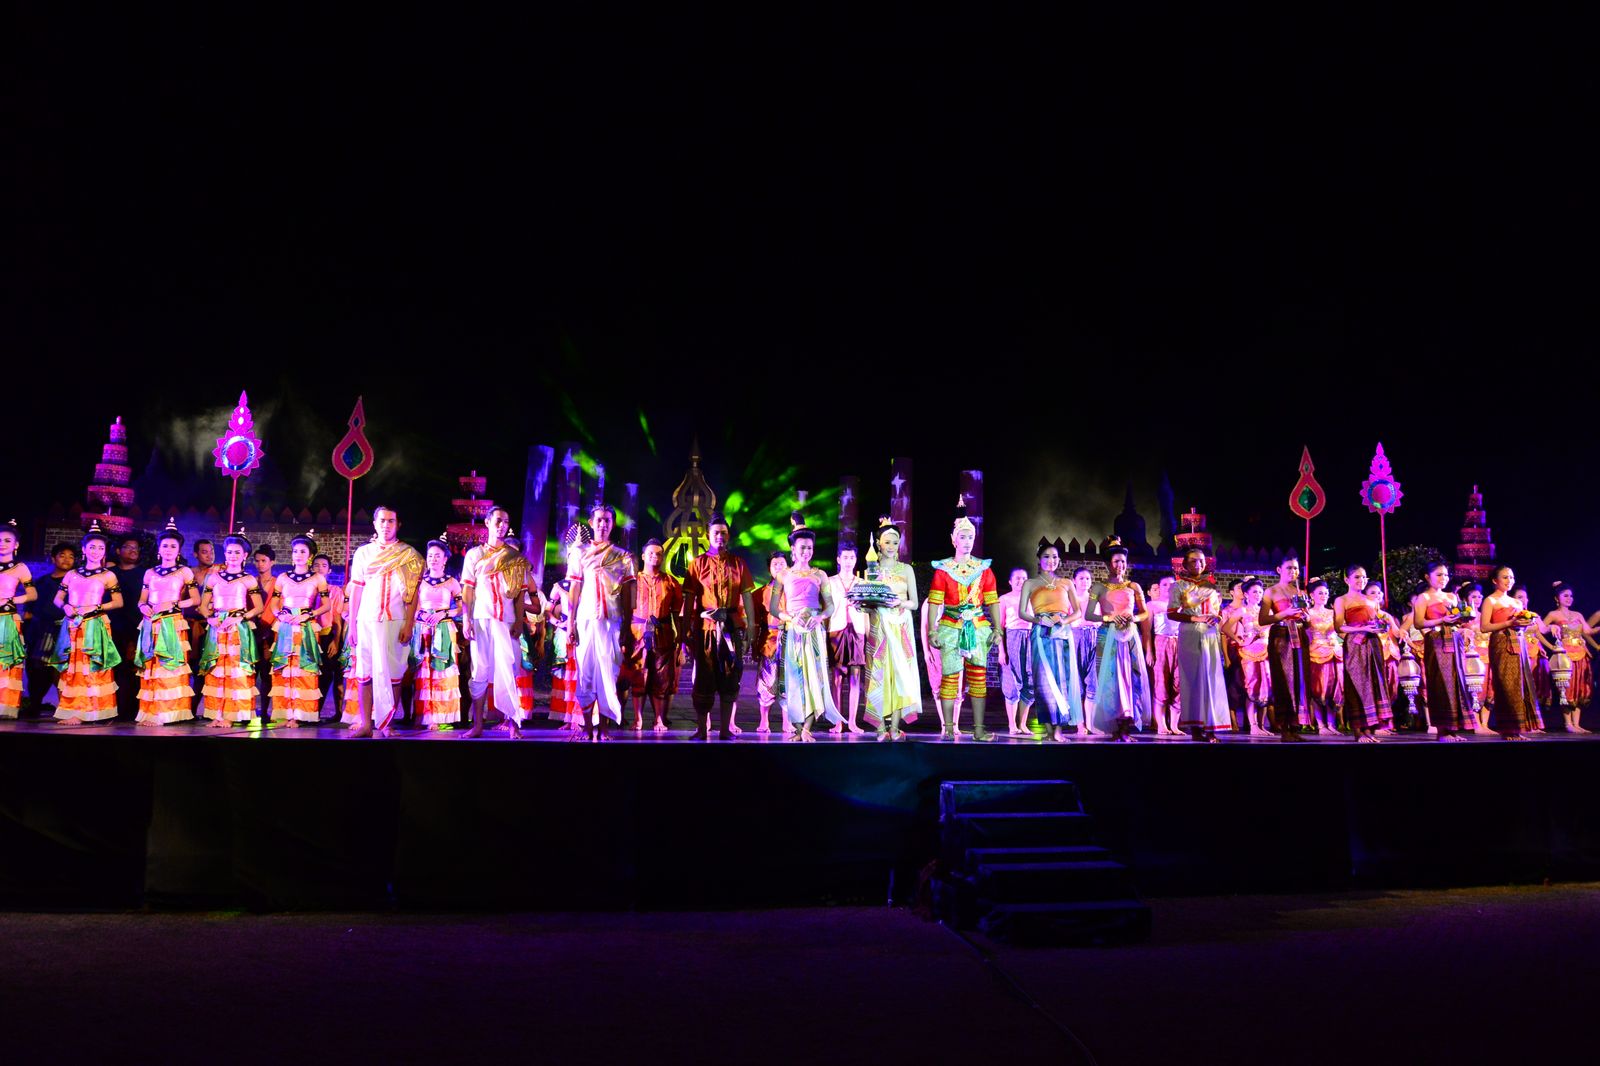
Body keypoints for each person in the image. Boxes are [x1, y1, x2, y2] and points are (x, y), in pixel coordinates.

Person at [925, 500, 1005, 741]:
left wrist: (998, 629)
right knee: (950, 677)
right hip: (950, 627)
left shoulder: (984, 568)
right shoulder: (943, 569)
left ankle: (979, 730)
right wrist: (932, 631)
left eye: (971, 537)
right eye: (962, 537)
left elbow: (992, 601)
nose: (967, 541)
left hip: (978, 627)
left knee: (978, 678)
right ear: (954, 540)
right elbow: (934, 602)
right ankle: (949, 728)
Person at [345, 507, 423, 738]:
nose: (386, 525)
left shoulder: (408, 555)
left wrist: (409, 624)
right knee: (365, 672)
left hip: (395, 621)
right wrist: (352, 625)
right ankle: (366, 725)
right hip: (367, 620)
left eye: (391, 521)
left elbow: (413, 594)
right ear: (374, 523)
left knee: (394, 672)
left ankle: (387, 724)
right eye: (382, 521)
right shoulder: (364, 553)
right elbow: (356, 589)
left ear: (398, 525)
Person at [680, 513, 755, 741]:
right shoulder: (697, 564)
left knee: (731, 676)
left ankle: (725, 730)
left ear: (728, 536)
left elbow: (747, 597)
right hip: (706, 629)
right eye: (716, 533)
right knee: (704, 676)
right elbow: (689, 601)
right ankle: (702, 730)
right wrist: (684, 632)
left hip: (731, 628)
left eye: (723, 533)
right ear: (708, 535)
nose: (720, 536)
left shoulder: (738, 563)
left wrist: (751, 628)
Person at [462, 508, 533, 739]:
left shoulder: (515, 557)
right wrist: (466, 619)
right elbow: (468, 589)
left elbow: (521, 593)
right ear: (488, 522)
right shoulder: (474, 554)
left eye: (506, 522)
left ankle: (513, 725)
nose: (502, 525)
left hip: (507, 620)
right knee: (479, 670)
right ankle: (478, 725)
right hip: (481, 619)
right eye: (498, 521)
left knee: (509, 669)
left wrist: (519, 620)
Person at [567, 504, 635, 741]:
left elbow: (627, 594)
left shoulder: (623, 556)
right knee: (585, 673)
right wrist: (570, 623)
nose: (603, 524)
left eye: (607, 520)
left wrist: (627, 626)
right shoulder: (579, 552)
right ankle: (587, 727)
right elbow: (574, 588)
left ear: (612, 524)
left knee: (608, 674)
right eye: (599, 520)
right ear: (591, 522)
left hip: (611, 622)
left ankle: (604, 728)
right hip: (586, 620)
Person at [51, 526, 125, 725]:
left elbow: (118, 602)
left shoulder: (108, 575)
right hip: (72, 625)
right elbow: (57, 599)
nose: (96, 551)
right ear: (84, 549)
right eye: (92, 547)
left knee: (91, 666)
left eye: (101, 548)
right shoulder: (72, 574)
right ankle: (73, 710)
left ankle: (92, 711)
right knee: (72, 668)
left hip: (94, 624)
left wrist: (97, 607)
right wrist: (65, 606)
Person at [777, 520, 840, 741]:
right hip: (793, 631)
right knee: (793, 678)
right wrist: (790, 618)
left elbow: (830, 605)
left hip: (814, 631)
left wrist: (820, 617)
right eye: (802, 547)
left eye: (810, 547)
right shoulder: (783, 575)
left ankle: (806, 729)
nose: (806, 551)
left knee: (815, 678)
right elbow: (774, 608)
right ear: (793, 549)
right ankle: (797, 729)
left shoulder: (820, 575)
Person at [861, 518, 920, 742]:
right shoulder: (872, 570)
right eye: (887, 542)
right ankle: (879, 729)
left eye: (895, 542)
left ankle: (894, 728)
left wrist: (899, 602)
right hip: (879, 628)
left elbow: (914, 603)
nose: (892, 547)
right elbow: (868, 603)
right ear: (878, 543)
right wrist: (861, 606)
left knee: (900, 677)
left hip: (901, 627)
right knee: (879, 676)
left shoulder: (906, 569)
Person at [132, 521, 197, 725]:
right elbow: (142, 600)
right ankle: (151, 712)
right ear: (159, 549)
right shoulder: (149, 572)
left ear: (179, 551)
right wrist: (142, 607)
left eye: (173, 546)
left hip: (172, 622)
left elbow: (195, 600)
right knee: (151, 666)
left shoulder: (184, 571)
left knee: (168, 665)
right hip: (151, 623)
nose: (168, 549)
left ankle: (168, 713)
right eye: (165, 546)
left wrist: (174, 604)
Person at [1016, 539, 1081, 742]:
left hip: (1062, 633)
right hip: (1040, 634)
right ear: (1039, 559)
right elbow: (1022, 612)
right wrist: (1039, 620)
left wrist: (1063, 621)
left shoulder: (1067, 583)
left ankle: (1059, 730)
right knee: (1042, 681)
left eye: (1054, 557)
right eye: (1046, 556)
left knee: (1062, 679)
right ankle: (1048, 729)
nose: (1051, 560)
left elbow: (1078, 612)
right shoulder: (1030, 583)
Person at [197, 534, 265, 726]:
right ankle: (217, 714)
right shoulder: (213, 578)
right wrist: (210, 618)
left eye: (237, 552)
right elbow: (203, 606)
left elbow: (259, 607)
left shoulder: (248, 579)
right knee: (217, 670)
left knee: (236, 671)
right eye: (229, 552)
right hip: (217, 627)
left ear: (244, 555)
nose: (232, 555)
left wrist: (239, 618)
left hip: (237, 629)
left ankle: (232, 715)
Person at [1083, 541, 1147, 742]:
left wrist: (1133, 618)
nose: (1120, 565)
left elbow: (1145, 613)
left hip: (1129, 636)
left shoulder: (1133, 586)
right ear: (1108, 564)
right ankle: (1114, 729)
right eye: (1116, 561)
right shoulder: (1099, 587)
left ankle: (1126, 728)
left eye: (1123, 561)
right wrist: (1109, 618)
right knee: (1110, 680)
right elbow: (1088, 615)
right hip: (1107, 635)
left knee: (1130, 679)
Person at [268, 534, 331, 727]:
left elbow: (327, 605)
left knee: (303, 668)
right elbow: (274, 603)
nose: (298, 555)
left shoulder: (318, 578)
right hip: (286, 625)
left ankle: (300, 714)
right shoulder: (282, 577)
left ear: (310, 555)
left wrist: (308, 615)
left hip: (305, 626)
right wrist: (279, 615)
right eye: (295, 551)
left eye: (303, 551)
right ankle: (284, 713)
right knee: (284, 668)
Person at [1168, 548, 1230, 742]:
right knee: (1192, 679)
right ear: (1185, 564)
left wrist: (1216, 617)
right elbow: (1171, 613)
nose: (1198, 564)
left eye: (1201, 561)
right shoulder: (1178, 586)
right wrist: (1196, 618)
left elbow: (1217, 612)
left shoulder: (1211, 586)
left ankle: (1211, 728)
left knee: (1212, 678)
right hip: (1190, 633)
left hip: (1210, 634)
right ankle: (1195, 728)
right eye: (1193, 561)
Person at [624, 538, 682, 734]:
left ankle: (658, 718)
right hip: (637, 633)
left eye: (658, 554)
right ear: (643, 556)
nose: (654, 557)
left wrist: (680, 636)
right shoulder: (633, 581)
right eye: (650, 553)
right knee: (638, 674)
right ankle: (638, 718)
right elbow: (625, 610)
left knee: (661, 676)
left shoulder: (671, 582)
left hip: (663, 633)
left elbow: (676, 613)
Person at [1481, 565, 1543, 740]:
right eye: (1505, 577)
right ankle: (1507, 730)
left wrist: (1526, 623)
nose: (1509, 581)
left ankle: (1517, 729)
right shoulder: (1490, 601)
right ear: (1495, 580)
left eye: (1512, 577)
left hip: (1519, 643)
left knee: (1520, 685)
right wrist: (1509, 623)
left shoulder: (1517, 602)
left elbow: (1521, 625)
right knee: (1505, 686)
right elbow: (1484, 627)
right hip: (1501, 643)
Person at [1415, 561, 1474, 742]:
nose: (1444, 578)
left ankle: (1453, 729)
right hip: (1436, 640)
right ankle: (1442, 730)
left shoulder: (1452, 596)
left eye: (1446, 575)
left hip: (1454, 639)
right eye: (1439, 575)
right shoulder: (1423, 597)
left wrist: (1462, 619)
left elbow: (1457, 619)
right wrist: (1442, 620)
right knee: (1440, 682)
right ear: (1428, 577)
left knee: (1456, 681)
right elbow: (1418, 623)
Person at [412, 536, 464, 729]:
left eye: (437, 556)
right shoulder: (419, 581)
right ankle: (426, 716)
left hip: (444, 629)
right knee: (424, 670)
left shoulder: (452, 582)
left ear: (445, 559)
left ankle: (443, 716)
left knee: (442, 670)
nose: (433, 559)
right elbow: (413, 607)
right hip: (423, 629)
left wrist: (444, 613)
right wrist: (422, 615)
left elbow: (461, 608)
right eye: (430, 555)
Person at [1260, 554, 1312, 741]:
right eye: (1289, 567)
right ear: (1279, 570)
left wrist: (1307, 617)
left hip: (1299, 636)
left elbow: (1308, 623)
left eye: (1296, 568)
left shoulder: (1300, 592)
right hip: (1281, 637)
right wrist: (1286, 613)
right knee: (1283, 680)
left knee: (1300, 679)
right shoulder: (1271, 591)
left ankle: (1295, 727)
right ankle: (1284, 728)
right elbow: (1263, 619)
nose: (1293, 571)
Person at [1336, 565, 1390, 743]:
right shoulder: (1342, 600)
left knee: (1373, 684)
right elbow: (1339, 627)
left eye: (1364, 577)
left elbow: (1378, 622)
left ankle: (1369, 730)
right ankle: (1358, 731)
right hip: (1355, 644)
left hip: (1373, 644)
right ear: (1347, 580)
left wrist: (1380, 627)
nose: (1361, 581)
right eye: (1357, 577)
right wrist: (1361, 628)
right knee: (1357, 684)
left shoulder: (1371, 600)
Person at [23, 542, 75, 716]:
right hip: (41, 629)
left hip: (65, 630)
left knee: (61, 669)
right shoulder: (42, 581)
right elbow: (30, 609)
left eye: (71, 556)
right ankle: (34, 704)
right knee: (36, 667)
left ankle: (67, 708)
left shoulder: (76, 582)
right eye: (62, 555)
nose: (66, 559)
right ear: (53, 558)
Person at [826, 542, 870, 734]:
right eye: (845, 557)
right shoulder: (829, 582)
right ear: (838, 559)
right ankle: (838, 722)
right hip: (836, 630)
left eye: (852, 558)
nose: (848, 561)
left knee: (855, 676)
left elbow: (867, 612)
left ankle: (852, 721)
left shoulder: (862, 583)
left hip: (857, 631)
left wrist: (868, 635)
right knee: (837, 677)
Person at [1223, 579, 1273, 736]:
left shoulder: (1267, 611)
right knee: (1252, 687)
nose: (1258, 594)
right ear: (1246, 594)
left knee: (1266, 688)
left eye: (1260, 592)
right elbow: (1225, 628)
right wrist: (1239, 640)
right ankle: (1253, 725)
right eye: (1254, 592)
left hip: (1266, 652)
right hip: (1249, 652)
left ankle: (1262, 726)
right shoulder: (1242, 611)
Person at [1545, 581, 1597, 733]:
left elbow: (1587, 631)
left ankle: (1577, 724)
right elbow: (1540, 629)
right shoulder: (1553, 614)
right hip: (1565, 657)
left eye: (1571, 596)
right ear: (1557, 598)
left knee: (1580, 687)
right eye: (1565, 595)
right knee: (1566, 688)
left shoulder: (1578, 614)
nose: (1569, 598)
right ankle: (1568, 723)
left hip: (1581, 655)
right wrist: (1552, 642)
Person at [0, 522, 38, 718]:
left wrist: (11, 600)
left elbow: (32, 594)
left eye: (7, 540)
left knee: (6, 662)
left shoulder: (20, 568)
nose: (2, 544)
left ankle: (4, 706)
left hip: (7, 619)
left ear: (16, 545)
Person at [996, 562, 1035, 736]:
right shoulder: (1004, 599)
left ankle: (1023, 724)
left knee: (1029, 682)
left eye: (1024, 578)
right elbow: (999, 627)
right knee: (1012, 683)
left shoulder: (1032, 598)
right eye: (1017, 578)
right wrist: (1001, 651)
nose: (1021, 581)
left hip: (1030, 640)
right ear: (1010, 581)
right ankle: (1012, 725)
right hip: (1012, 639)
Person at [109, 534, 144, 719]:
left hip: (137, 628)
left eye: (136, 548)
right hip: (113, 627)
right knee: (114, 668)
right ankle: (114, 709)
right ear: (118, 551)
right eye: (128, 547)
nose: (133, 550)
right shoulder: (109, 573)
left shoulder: (145, 574)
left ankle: (133, 710)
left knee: (135, 668)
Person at [754, 552, 789, 735]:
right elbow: (755, 622)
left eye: (782, 563)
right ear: (769, 568)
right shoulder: (761, 593)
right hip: (769, 640)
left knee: (788, 682)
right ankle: (764, 720)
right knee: (767, 681)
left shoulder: (794, 590)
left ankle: (787, 721)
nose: (779, 567)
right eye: (775, 564)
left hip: (790, 639)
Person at [1144, 573, 1182, 735]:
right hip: (1161, 643)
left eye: (1172, 584)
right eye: (1165, 584)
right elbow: (1146, 630)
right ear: (1159, 587)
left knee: (1179, 684)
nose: (1168, 587)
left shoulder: (1181, 604)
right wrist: (1149, 652)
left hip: (1180, 644)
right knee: (1161, 684)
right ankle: (1161, 724)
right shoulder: (1152, 605)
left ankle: (1174, 725)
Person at [1305, 580, 1342, 735]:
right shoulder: (1308, 613)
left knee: (1334, 688)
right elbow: (1305, 634)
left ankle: (1332, 725)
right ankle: (1321, 725)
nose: (1324, 596)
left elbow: (1341, 630)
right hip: (1316, 652)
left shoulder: (1333, 612)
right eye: (1320, 593)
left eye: (1326, 593)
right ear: (1312, 595)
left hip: (1334, 652)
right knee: (1318, 688)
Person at [312, 554, 345, 716]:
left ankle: (316, 711)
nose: (320, 568)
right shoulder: (307, 589)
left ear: (329, 570)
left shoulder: (334, 591)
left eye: (324, 565)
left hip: (326, 636)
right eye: (316, 565)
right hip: (308, 636)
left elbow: (337, 619)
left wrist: (336, 641)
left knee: (325, 675)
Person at [1069, 565, 1100, 731]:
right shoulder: (1070, 599)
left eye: (1087, 578)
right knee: (1077, 681)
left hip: (1094, 638)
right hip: (1076, 637)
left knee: (1093, 681)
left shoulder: (1096, 599)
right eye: (1081, 578)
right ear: (1074, 580)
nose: (1085, 581)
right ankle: (1080, 724)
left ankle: (1091, 723)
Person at [251, 544, 278, 719]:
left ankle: (265, 711)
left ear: (272, 562)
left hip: (270, 632)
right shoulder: (251, 581)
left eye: (264, 560)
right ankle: (248, 710)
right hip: (252, 631)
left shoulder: (278, 583)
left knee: (267, 674)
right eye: (257, 561)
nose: (260, 564)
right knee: (251, 672)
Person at [186, 538, 216, 673]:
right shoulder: (187, 573)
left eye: (211, 552)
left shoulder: (219, 572)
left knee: (208, 665)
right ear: (195, 554)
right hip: (188, 624)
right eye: (205, 552)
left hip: (211, 624)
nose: (210, 556)